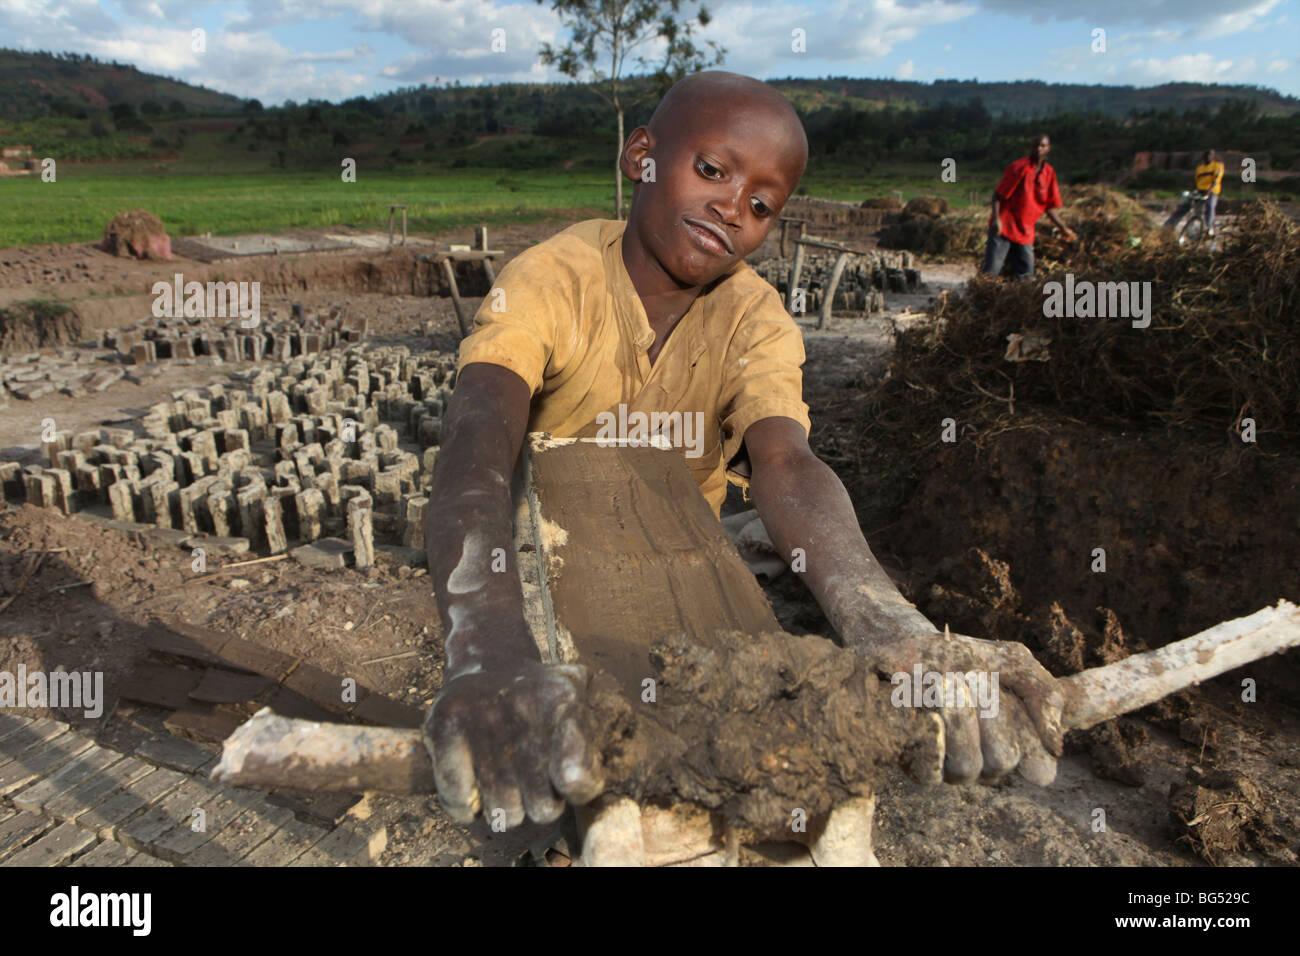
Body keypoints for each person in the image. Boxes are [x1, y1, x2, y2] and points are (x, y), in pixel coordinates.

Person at [423, 71, 1065, 831]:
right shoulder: (551, 278)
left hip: (679, 557)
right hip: (544, 557)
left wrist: (892, 626)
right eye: (713, 171)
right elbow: (477, 437)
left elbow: (786, 465)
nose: (733, 208)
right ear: (642, 158)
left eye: (762, 206)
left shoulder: (755, 318)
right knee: (581, 787)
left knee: (758, 789)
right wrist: (487, 648)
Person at [982, 134, 1077, 278]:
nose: (1039, 149)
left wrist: (1063, 228)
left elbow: (1049, 206)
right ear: (1031, 148)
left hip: (1025, 230)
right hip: (1005, 227)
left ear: (1048, 149)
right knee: (991, 272)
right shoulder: (1018, 168)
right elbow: (997, 195)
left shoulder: (1049, 173)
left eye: (1043, 146)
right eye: (1036, 145)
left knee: (1026, 274)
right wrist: (996, 220)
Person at [1164, 149, 1224, 235]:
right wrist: (1193, 192)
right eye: (1206, 155)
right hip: (1200, 191)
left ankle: (1209, 227)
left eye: (1210, 155)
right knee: (1184, 207)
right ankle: (1168, 225)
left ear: (1213, 156)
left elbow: (1216, 181)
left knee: (1210, 206)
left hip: (1211, 192)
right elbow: (1196, 182)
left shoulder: (1218, 166)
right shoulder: (1200, 168)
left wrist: (1209, 191)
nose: (1208, 157)